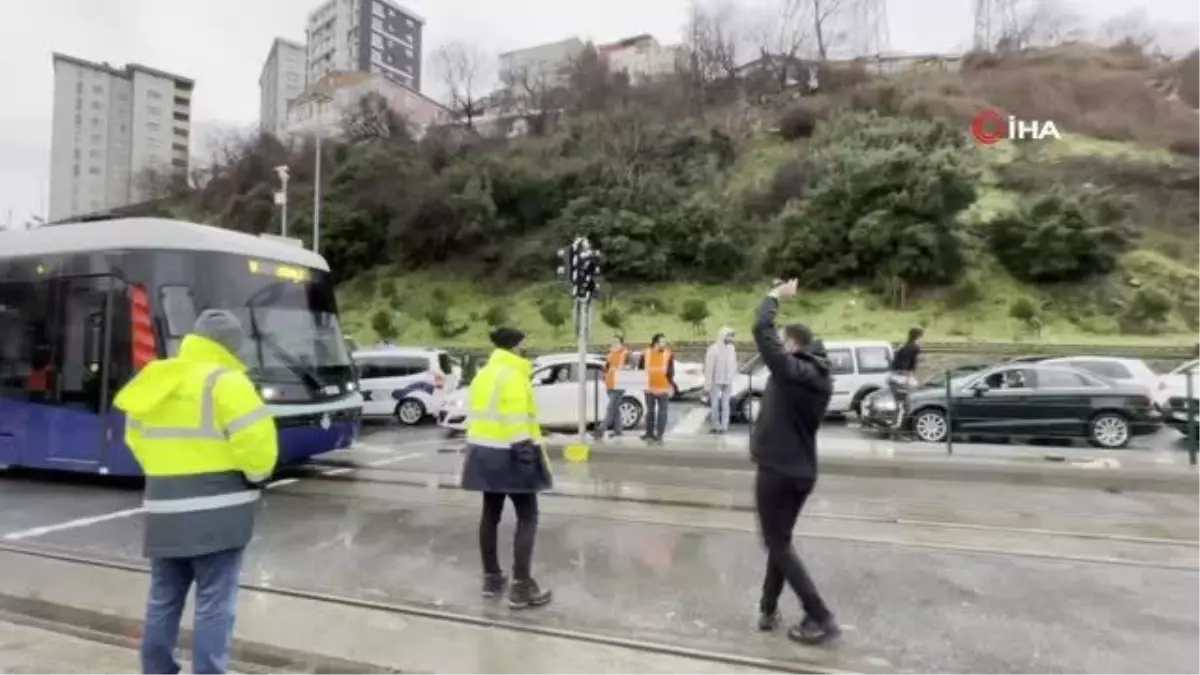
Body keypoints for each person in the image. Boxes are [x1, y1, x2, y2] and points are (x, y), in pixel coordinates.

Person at [113, 310, 278, 675]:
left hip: (164, 512)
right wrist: (256, 476)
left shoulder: (155, 377)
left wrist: (167, 470)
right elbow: (259, 451)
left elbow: (134, 438)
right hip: (220, 515)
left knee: (163, 599)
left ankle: (157, 669)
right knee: (215, 603)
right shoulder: (229, 383)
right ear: (232, 346)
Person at [750, 279, 840, 646]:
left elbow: (760, 330)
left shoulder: (793, 372)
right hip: (802, 471)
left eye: (784, 344)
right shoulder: (818, 376)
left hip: (777, 469)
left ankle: (819, 614)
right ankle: (768, 609)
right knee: (779, 543)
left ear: (792, 345)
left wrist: (774, 297)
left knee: (776, 541)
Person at [460, 327, 554, 609]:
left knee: (490, 515)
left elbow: (477, 416)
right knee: (528, 517)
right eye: (524, 342)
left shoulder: (484, 374)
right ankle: (521, 587)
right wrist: (528, 459)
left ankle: (492, 578)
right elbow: (516, 422)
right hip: (512, 455)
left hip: (483, 455)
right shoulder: (513, 376)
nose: (527, 347)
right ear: (514, 346)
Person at [639, 333, 676, 443]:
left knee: (662, 412)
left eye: (665, 342)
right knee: (650, 411)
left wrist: (670, 385)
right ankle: (649, 433)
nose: (664, 344)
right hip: (648, 387)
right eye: (662, 342)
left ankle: (659, 434)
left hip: (663, 387)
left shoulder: (668, 354)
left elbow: (670, 371)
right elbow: (640, 369)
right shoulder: (646, 353)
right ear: (655, 343)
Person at [887, 327, 924, 433]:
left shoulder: (905, 346)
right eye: (922, 337)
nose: (923, 340)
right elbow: (905, 365)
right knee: (903, 406)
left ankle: (898, 427)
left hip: (894, 377)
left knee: (902, 405)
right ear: (918, 337)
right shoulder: (913, 348)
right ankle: (897, 429)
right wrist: (908, 379)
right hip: (900, 378)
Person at [704, 327, 738, 434]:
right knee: (714, 404)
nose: (731, 338)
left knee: (725, 404)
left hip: (727, 380)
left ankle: (724, 426)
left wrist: (733, 377)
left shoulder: (731, 348)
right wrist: (707, 384)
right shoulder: (713, 349)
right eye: (729, 336)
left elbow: (734, 364)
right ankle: (715, 425)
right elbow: (709, 368)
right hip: (716, 380)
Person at [599, 334, 630, 437]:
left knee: (611, 407)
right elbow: (606, 368)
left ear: (622, 343)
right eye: (613, 342)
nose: (614, 344)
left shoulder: (625, 354)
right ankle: (618, 430)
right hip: (610, 384)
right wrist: (605, 377)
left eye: (617, 342)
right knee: (615, 408)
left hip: (619, 385)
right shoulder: (611, 354)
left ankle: (601, 430)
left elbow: (628, 368)